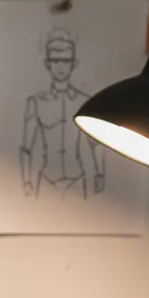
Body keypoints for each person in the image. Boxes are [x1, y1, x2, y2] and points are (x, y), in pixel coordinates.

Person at [20, 29, 105, 200]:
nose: (61, 67)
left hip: (76, 180)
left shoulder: (84, 101)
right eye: (56, 60)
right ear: (47, 63)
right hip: (46, 181)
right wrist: (26, 181)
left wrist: (100, 173)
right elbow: (26, 148)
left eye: (65, 61)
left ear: (73, 63)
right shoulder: (36, 102)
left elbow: (96, 144)